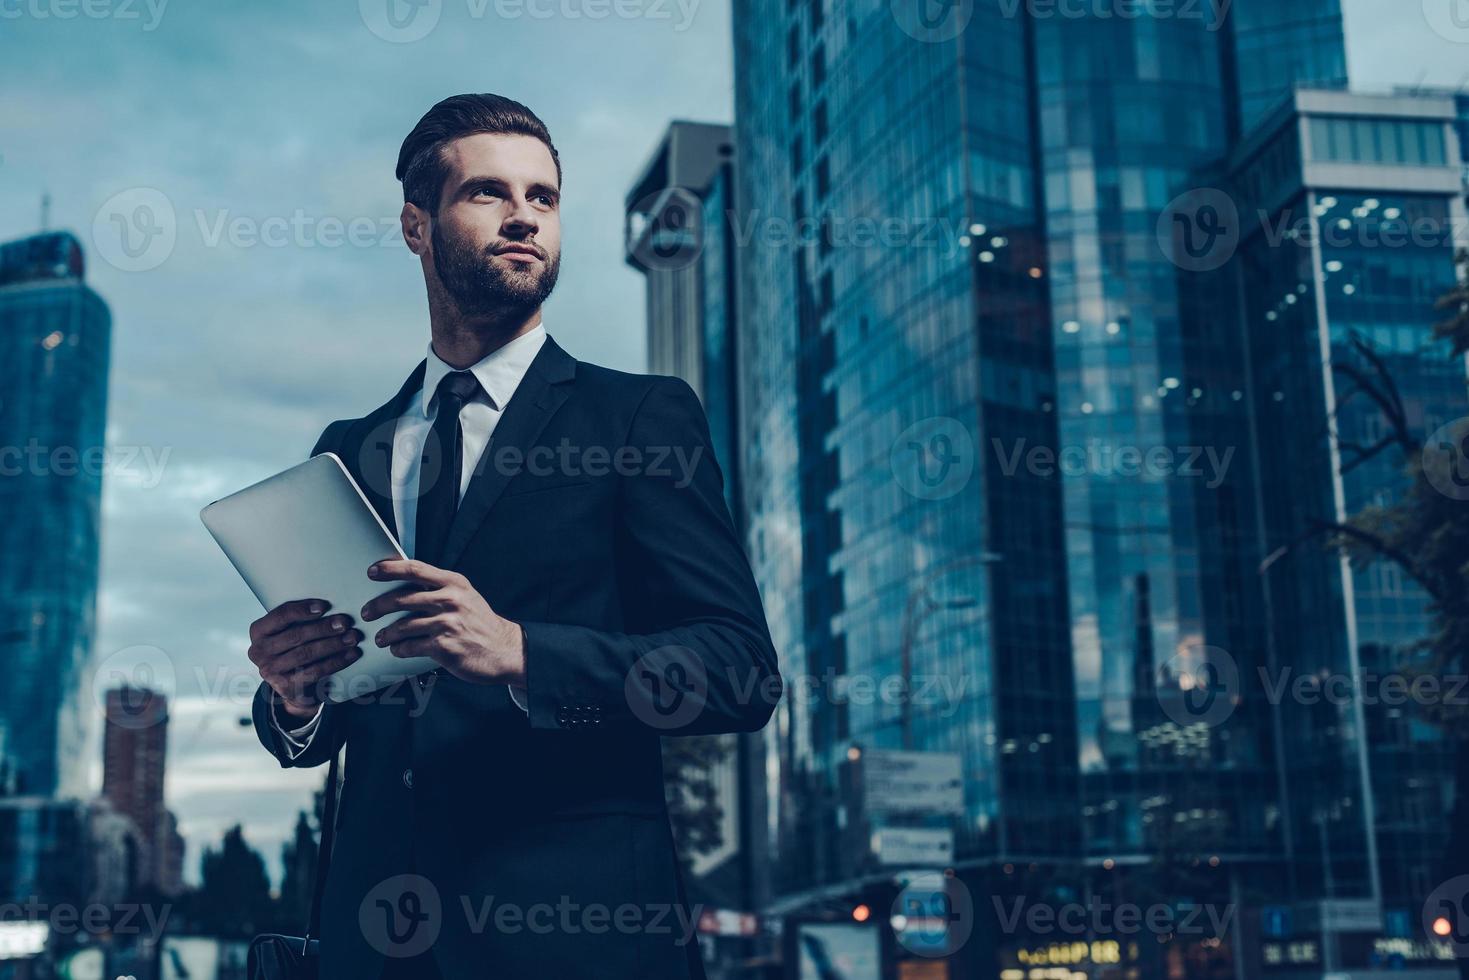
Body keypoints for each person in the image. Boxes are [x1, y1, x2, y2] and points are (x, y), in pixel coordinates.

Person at [245, 93, 780, 979]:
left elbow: (737, 670)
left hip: (576, 935)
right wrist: (294, 695)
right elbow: (334, 720)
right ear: (417, 227)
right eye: (488, 193)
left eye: (545, 197)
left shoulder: (639, 416)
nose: (525, 216)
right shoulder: (345, 452)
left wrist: (522, 652)